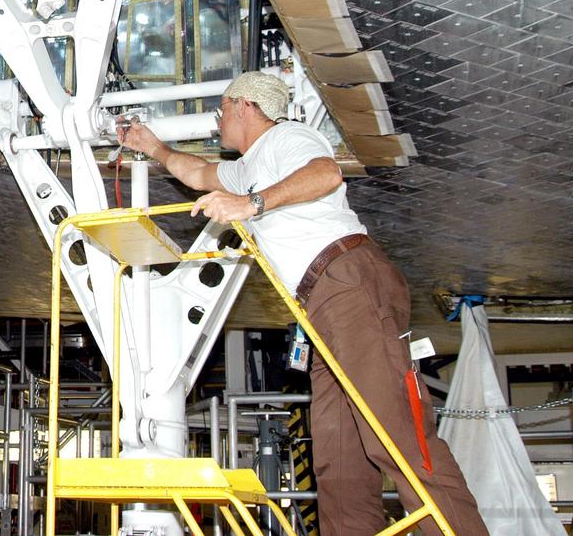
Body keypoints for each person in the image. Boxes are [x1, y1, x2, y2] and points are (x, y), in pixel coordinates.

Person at [117, 71, 486, 536]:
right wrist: (151, 146)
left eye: (222, 109)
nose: (216, 119)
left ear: (246, 107)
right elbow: (196, 172)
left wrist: (252, 205)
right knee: (338, 455)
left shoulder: (288, 137)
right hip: (321, 305)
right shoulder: (248, 164)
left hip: (347, 282)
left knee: (394, 435)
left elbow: (325, 173)